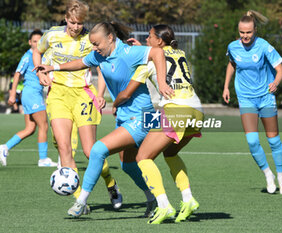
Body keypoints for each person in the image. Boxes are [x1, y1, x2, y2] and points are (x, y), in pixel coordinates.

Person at [34, 21, 167, 218]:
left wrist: (162, 83)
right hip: (124, 116)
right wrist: (53, 67)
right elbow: (81, 62)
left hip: (141, 116)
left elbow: (157, 53)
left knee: (97, 150)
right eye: (93, 45)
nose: (94, 48)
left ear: (110, 38)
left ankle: (80, 202)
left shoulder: (128, 52)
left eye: (97, 44)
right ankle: (152, 200)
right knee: (128, 166)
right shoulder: (99, 55)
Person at [32, 0, 121, 212]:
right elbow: (37, 51)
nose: (75, 27)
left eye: (79, 23)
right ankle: (80, 200)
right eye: (72, 22)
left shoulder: (90, 39)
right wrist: (40, 71)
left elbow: (101, 66)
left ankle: (111, 184)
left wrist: (100, 94)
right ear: (65, 19)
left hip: (83, 94)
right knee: (64, 148)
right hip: (58, 95)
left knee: (91, 152)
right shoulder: (52, 35)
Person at [120, 24, 203, 224]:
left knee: (143, 157)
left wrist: (115, 103)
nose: (147, 40)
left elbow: (127, 92)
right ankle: (188, 199)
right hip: (197, 111)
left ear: (159, 41)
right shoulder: (178, 51)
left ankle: (164, 205)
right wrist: (144, 49)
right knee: (170, 153)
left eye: (149, 37)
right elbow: (160, 54)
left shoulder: (148, 64)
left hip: (176, 111)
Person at [222, 10, 282, 195]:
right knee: (252, 142)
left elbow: (280, 70)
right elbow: (232, 64)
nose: (245, 36)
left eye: (248, 32)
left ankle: (281, 177)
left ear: (255, 31)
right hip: (246, 98)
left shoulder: (264, 46)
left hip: (266, 97)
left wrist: (275, 82)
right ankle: (268, 174)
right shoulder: (233, 47)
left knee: (273, 140)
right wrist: (226, 86)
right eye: (242, 32)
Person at [0, 29, 57, 167]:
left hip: (32, 94)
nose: (38, 44)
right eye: (35, 41)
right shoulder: (28, 56)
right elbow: (17, 74)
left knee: (30, 128)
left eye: (40, 41)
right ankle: (43, 159)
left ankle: (4, 148)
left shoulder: (42, 55)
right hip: (31, 94)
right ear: (30, 42)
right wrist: (13, 94)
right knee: (43, 125)